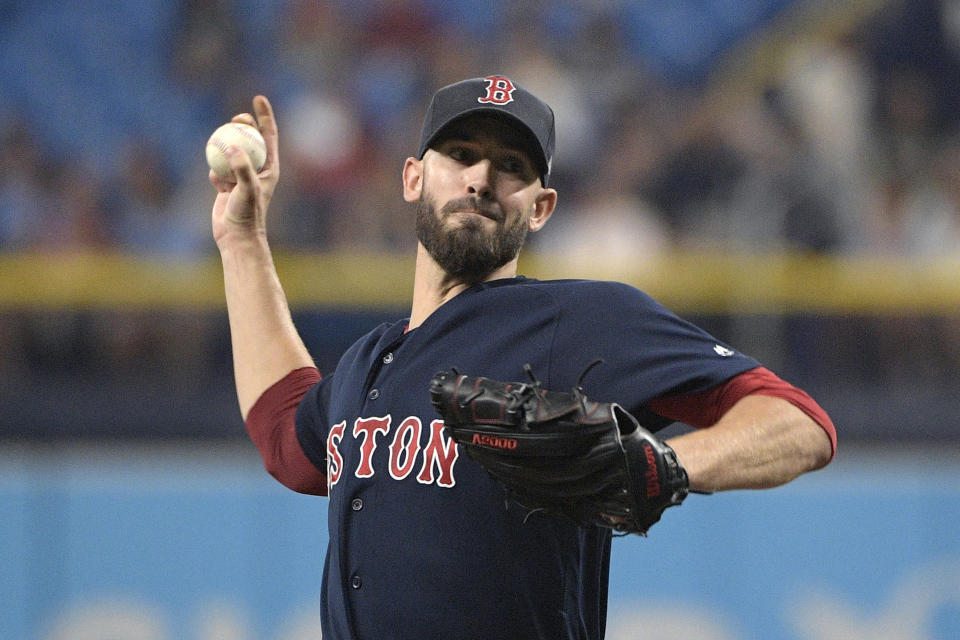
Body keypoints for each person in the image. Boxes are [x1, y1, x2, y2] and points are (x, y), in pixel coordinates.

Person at [209, 76, 836, 640]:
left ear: (540, 209)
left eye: (511, 166)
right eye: (460, 155)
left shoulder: (577, 319)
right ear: (412, 178)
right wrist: (241, 239)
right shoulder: (370, 360)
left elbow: (799, 421)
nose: (481, 177)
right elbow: (286, 439)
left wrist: (666, 464)